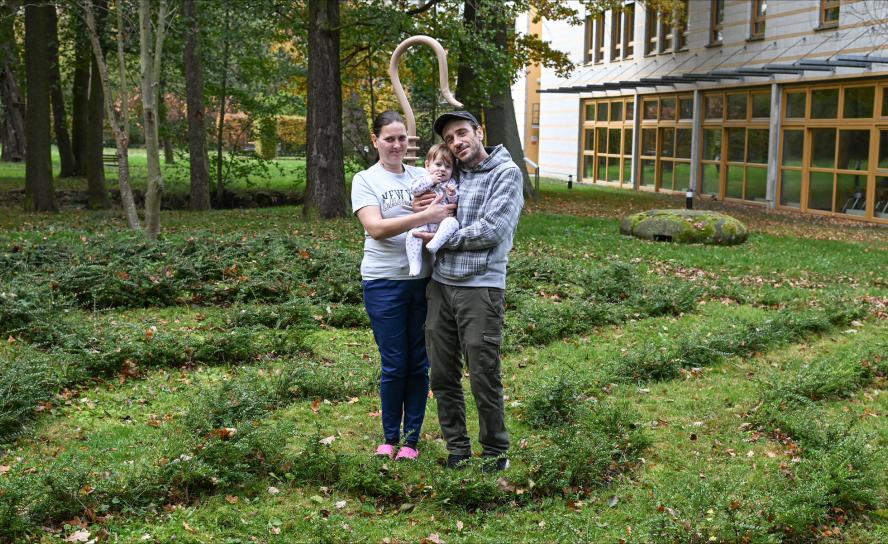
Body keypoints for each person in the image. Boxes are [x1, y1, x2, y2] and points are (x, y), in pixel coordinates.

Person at [412, 111, 524, 472]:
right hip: (442, 286)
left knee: (482, 372)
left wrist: (441, 239)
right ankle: (457, 450)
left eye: (461, 134)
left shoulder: (506, 174)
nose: (456, 142)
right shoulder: (453, 171)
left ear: (479, 132)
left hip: (481, 288)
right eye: (449, 139)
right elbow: (428, 193)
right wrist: (420, 208)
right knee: (442, 374)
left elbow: (492, 231)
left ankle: (495, 451)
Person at [351, 111, 456, 461]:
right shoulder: (365, 180)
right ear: (375, 139)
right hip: (383, 282)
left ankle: (410, 440)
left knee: (419, 363)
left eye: (401, 139)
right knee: (395, 363)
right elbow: (376, 228)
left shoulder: (421, 174)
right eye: (389, 138)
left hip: (423, 282)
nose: (396, 145)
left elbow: (450, 188)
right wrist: (426, 216)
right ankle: (388, 437)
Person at [405, 144, 459, 277]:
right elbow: (415, 189)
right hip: (424, 224)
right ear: (427, 165)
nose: (442, 169)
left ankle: (435, 243)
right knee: (412, 235)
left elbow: (454, 203)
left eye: (448, 166)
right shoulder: (422, 179)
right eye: (438, 164)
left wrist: (452, 194)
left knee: (453, 223)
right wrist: (431, 180)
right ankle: (414, 262)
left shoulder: (451, 183)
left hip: (442, 225)